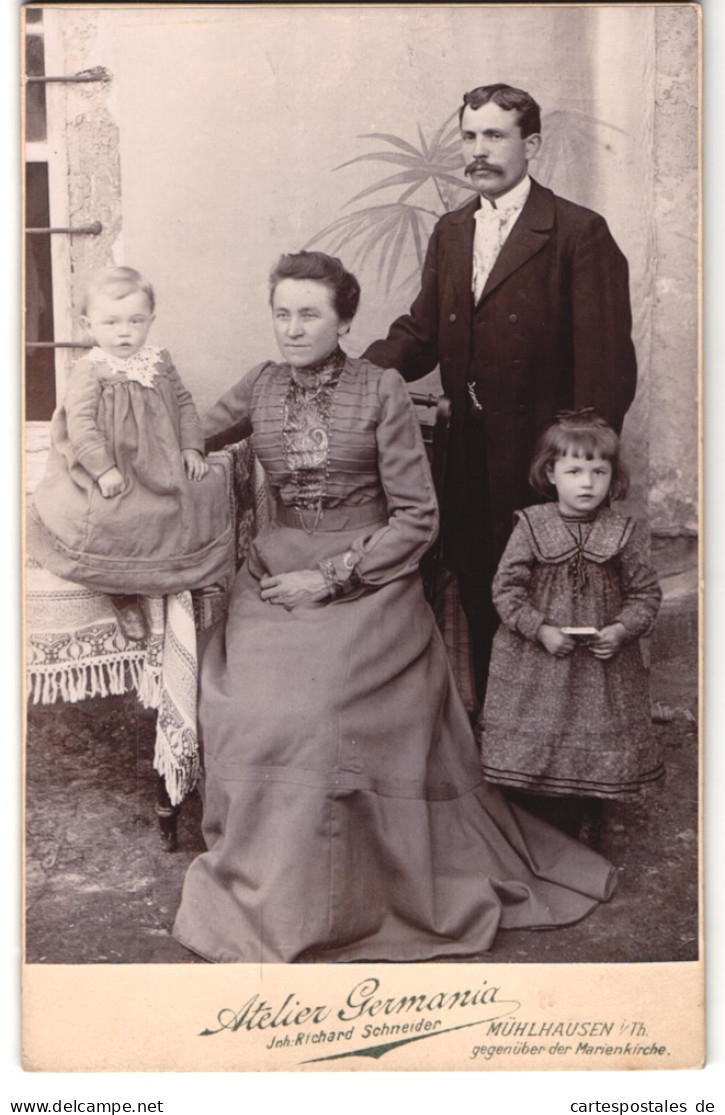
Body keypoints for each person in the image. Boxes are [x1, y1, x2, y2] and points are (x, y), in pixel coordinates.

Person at [172, 251, 617, 965]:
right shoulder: (258, 384)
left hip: (368, 577)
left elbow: (416, 518)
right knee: (255, 707)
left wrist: (332, 577)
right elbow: (187, 433)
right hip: (273, 574)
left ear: (344, 319)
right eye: (281, 313)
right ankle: (269, 883)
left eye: (309, 313)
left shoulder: (378, 389)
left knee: (320, 712)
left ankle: (349, 894)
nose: (292, 328)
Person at [365, 83, 638, 701]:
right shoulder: (453, 230)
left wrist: (581, 465)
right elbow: (421, 333)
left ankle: (559, 766)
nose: (478, 150)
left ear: (531, 144)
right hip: (466, 455)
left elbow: (606, 364)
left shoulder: (578, 232)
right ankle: (497, 738)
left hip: (544, 461)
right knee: (485, 589)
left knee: (553, 600)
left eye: (495, 135)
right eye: (469, 136)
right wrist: (355, 373)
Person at [477, 410, 663, 848]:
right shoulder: (531, 526)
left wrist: (621, 629)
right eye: (574, 470)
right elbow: (506, 590)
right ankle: (536, 825)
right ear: (550, 473)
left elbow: (646, 594)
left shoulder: (623, 532)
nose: (587, 483)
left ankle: (590, 817)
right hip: (537, 663)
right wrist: (538, 628)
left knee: (595, 738)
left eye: (599, 471)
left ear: (613, 477)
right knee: (540, 738)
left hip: (600, 668)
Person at [28, 266, 232, 640]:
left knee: (196, 496)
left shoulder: (159, 361)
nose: (124, 332)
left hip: (159, 461)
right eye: (111, 322)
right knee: (110, 516)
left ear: (150, 321)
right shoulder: (89, 370)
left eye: (136, 321)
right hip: (109, 462)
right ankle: (120, 591)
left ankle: (188, 573)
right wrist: (103, 469)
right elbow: (81, 425)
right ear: (90, 325)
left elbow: (184, 404)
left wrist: (191, 447)